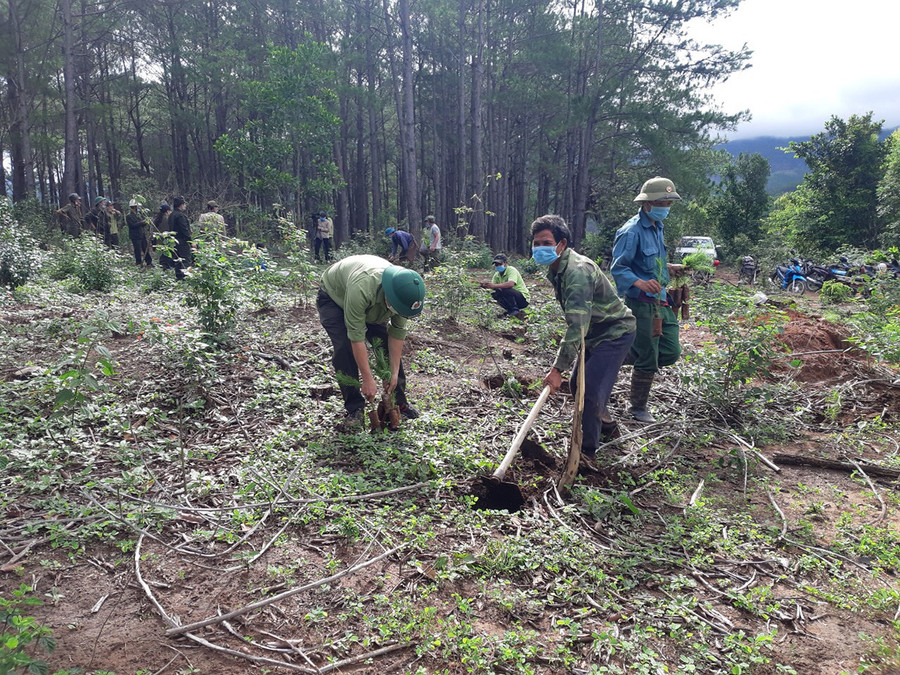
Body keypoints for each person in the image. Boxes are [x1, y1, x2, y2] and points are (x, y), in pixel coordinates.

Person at [532, 215, 636, 457]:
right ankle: (609, 427)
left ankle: (587, 453)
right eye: (536, 243)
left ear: (562, 244)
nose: (540, 248)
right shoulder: (558, 267)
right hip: (593, 333)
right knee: (577, 384)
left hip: (614, 332)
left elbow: (577, 326)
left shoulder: (577, 271)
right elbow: (580, 326)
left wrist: (557, 369)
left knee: (589, 392)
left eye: (546, 242)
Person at [317, 255, 425, 425]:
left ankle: (400, 403)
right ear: (389, 298)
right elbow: (356, 337)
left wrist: (394, 372)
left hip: (372, 302)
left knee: (383, 345)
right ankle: (355, 409)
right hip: (335, 298)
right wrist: (367, 379)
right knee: (344, 349)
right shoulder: (362, 288)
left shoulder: (403, 296)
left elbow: (396, 335)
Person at [611, 176, 684, 423]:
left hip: (661, 300)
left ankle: (612, 357)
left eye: (669, 203)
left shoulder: (656, 226)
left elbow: (651, 262)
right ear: (647, 204)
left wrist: (669, 268)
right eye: (662, 202)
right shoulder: (631, 231)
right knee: (649, 355)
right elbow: (618, 268)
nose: (666, 207)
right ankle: (638, 408)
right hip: (641, 303)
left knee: (671, 351)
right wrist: (639, 282)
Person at [480, 253, 529, 320]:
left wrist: (493, 285)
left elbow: (511, 284)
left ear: (505, 263)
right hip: (512, 298)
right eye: (496, 264)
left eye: (500, 264)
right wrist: (486, 286)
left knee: (506, 290)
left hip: (522, 299)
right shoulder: (497, 275)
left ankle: (514, 311)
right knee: (495, 294)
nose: (497, 266)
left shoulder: (511, 270)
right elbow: (494, 288)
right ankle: (510, 310)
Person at [169, 196, 192, 281]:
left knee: (177, 260)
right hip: (182, 241)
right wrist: (190, 241)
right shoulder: (180, 216)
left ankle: (178, 277)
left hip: (174, 241)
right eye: (184, 204)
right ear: (181, 205)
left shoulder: (171, 215)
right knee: (185, 260)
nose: (185, 206)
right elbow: (184, 230)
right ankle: (185, 277)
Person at [126, 200, 153, 267]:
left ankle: (149, 262)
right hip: (135, 236)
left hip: (141, 234)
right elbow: (132, 225)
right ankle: (138, 263)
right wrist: (141, 223)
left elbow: (141, 225)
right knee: (137, 250)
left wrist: (145, 222)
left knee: (145, 248)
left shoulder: (139, 214)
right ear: (134, 206)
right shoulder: (129, 216)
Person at [153, 203, 173, 269]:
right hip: (167, 239)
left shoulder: (157, 219)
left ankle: (163, 266)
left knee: (162, 255)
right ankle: (167, 266)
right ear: (167, 211)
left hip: (159, 240)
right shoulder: (167, 219)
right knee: (168, 254)